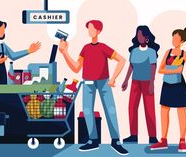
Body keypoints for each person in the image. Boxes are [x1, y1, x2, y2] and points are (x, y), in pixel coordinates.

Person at [59, 20, 129, 155]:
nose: (89, 31)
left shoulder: (103, 47)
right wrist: (65, 53)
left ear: (98, 31)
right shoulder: (85, 48)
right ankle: (93, 141)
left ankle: (116, 141)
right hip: (88, 82)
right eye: (88, 28)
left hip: (104, 82)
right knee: (87, 110)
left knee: (110, 110)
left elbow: (122, 60)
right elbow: (76, 68)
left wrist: (113, 78)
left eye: (91, 28)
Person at [150, 27, 186, 153]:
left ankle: (182, 140)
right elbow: (160, 69)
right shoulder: (168, 51)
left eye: (176, 38)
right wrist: (174, 70)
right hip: (167, 84)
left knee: (181, 112)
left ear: (182, 40)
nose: (174, 39)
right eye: (173, 37)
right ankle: (163, 140)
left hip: (179, 85)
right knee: (164, 111)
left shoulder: (184, 54)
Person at [122, 26, 160, 144]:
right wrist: (126, 80)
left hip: (147, 82)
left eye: (141, 35)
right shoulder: (134, 51)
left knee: (149, 110)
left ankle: (152, 137)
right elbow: (131, 66)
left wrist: (152, 83)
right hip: (135, 82)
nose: (139, 37)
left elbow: (153, 67)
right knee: (132, 108)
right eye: (137, 35)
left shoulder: (151, 52)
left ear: (146, 37)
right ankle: (133, 136)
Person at [0, 20, 41, 84]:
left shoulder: (3, 45)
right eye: (2, 29)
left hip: (1, 77)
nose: (3, 32)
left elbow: (13, 56)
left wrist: (28, 51)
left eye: (4, 30)